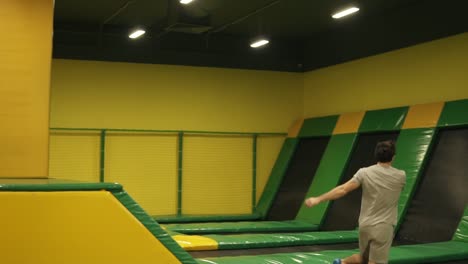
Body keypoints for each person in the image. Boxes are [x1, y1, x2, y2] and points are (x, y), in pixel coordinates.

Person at [304, 140, 406, 264]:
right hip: (384, 226)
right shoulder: (401, 176)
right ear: (393, 157)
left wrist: (318, 199)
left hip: (365, 225)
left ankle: (342, 262)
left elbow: (342, 190)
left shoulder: (364, 172)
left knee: (364, 258)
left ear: (376, 155)